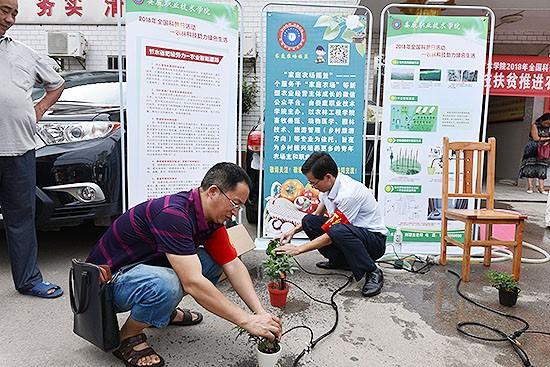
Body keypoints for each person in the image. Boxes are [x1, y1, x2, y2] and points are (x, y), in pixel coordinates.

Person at [87, 162, 282, 367]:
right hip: (103, 286)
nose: (235, 212)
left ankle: (162, 311)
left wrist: (259, 312)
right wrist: (246, 320)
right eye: (235, 203)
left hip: (139, 273)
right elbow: (193, 283)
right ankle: (127, 337)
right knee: (167, 284)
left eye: (240, 206)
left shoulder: (210, 220)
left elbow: (232, 264)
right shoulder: (173, 214)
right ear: (213, 192)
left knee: (212, 261)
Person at [0, 0, 65, 298]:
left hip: (19, 150)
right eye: (4, 10)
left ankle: (28, 280)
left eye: (13, 13)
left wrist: (37, 110)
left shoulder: (24, 53)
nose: (10, 19)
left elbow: (56, 83)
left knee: (21, 217)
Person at [275, 152, 387, 297]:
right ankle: (340, 261)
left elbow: (331, 234)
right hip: (352, 234)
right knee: (309, 221)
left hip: (374, 242)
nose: (313, 187)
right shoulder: (328, 188)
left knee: (338, 230)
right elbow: (316, 216)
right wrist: (292, 231)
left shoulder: (348, 194)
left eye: (314, 183)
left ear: (328, 177)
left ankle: (373, 271)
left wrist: (298, 249)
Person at [519, 113, 550, 194]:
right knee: (530, 166)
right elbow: (535, 138)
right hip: (533, 148)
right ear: (541, 120)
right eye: (546, 122)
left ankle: (541, 188)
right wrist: (548, 138)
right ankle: (530, 187)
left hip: (544, 149)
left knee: (542, 166)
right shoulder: (535, 125)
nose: (547, 125)